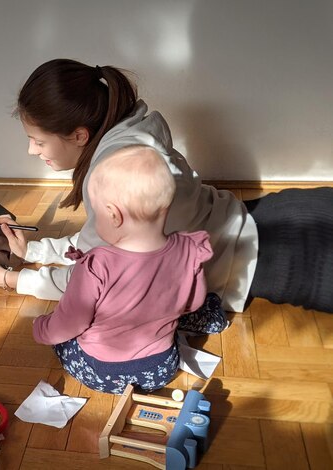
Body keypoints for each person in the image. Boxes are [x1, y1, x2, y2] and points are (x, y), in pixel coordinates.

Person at [0, 58, 333, 314]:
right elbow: (106, 246)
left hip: (278, 261)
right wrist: (38, 251)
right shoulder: (130, 125)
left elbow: (93, 284)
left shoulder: (113, 176)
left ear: (79, 135)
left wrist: (9, 279)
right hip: (266, 216)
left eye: (38, 141)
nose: (31, 150)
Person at [31, 145, 226, 393]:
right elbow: (192, 303)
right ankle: (209, 320)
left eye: (95, 213)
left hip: (100, 371)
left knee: (63, 339)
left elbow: (70, 323)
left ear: (114, 215)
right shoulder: (189, 249)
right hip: (161, 368)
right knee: (202, 302)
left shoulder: (96, 265)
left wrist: (41, 327)